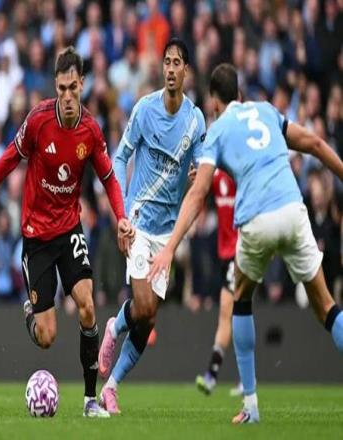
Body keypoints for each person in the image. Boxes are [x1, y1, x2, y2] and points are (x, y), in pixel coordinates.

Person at [148, 63, 343, 424]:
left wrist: (170, 247)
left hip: (256, 220)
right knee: (327, 306)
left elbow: (198, 195)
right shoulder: (266, 111)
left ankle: (251, 406)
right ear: (239, 94)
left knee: (240, 298)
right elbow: (315, 144)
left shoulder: (217, 130)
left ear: (214, 103)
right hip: (292, 209)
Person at [0, 46, 134, 418]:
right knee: (47, 337)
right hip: (37, 236)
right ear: (55, 87)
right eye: (61, 89)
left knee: (87, 304)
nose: (68, 96)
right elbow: (9, 158)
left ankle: (89, 400)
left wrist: (121, 216)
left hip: (69, 227)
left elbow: (109, 177)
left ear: (82, 84)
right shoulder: (39, 121)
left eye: (73, 88)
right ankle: (31, 312)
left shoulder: (91, 129)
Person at [97, 38, 206, 414]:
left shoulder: (195, 121)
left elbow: (200, 172)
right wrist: (121, 214)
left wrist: (195, 176)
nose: (171, 69)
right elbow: (119, 156)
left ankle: (111, 387)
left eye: (177, 63)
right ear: (162, 68)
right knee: (143, 305)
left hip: (167, 232)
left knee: (148, 318)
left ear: (186, 70)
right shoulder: (144, 109)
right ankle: (113, 328)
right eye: (167, 62)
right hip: (139, 222)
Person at [195, 169, 242, 396]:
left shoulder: (240, 172)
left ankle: (213, 374)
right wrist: (198, 175)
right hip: (225, 254)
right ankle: (240, 378)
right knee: (234, 313)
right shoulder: (217, 176)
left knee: (229, 310)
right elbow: (200, 189)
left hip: (241, 252)